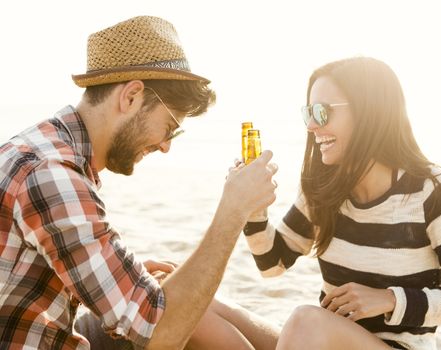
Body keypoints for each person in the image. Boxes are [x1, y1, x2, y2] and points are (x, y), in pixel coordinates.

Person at [0, 16, 279, 350]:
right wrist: (233, 211)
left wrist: (120, 279)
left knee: (188, 302)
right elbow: (161, 337)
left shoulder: (45, 150)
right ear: (131, 96)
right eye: (170, 126)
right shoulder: (53, 175)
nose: (166, 145)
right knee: (180, 317)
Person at [242, 57, 441, 349]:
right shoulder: (324, 189)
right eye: (308, 112)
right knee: (207, 309)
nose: (311, 126)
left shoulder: (433, 191)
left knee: (305, 320)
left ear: (369, 113)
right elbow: (273, 264)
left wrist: (389, 299)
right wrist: (253, 208)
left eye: (322, 112)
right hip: (320, 340)